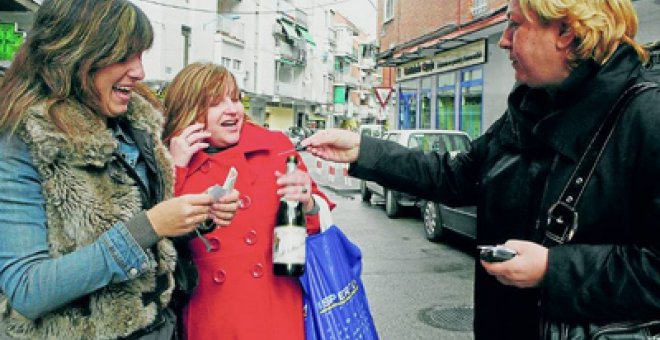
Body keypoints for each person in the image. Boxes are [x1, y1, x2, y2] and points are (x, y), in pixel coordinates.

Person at [302, 0, 660, 339]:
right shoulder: (528, 109)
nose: (504, 40)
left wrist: (555, 269)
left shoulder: (646, 116)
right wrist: (364, 150)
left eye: (515, 24)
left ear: (565, 31)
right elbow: (455, 176)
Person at [0, 1, 239, 339]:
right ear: (75, 53)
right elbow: (27, 289)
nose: (139, 72)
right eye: (125, 57)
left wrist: (195, 215)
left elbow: (153, 232)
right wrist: (150, 226)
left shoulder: (135, 126)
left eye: (140, 56)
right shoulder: (20, 140)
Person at [161, 62, 334, 340]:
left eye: (236, 98)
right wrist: (175, 166)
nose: (233, 109)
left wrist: (308, 202)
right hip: (212, 317)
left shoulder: (275, 148)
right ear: (189, 110)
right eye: (216, 103)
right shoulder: (171, 162)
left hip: (275, 311)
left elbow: (317, 226)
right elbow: (160, 244)